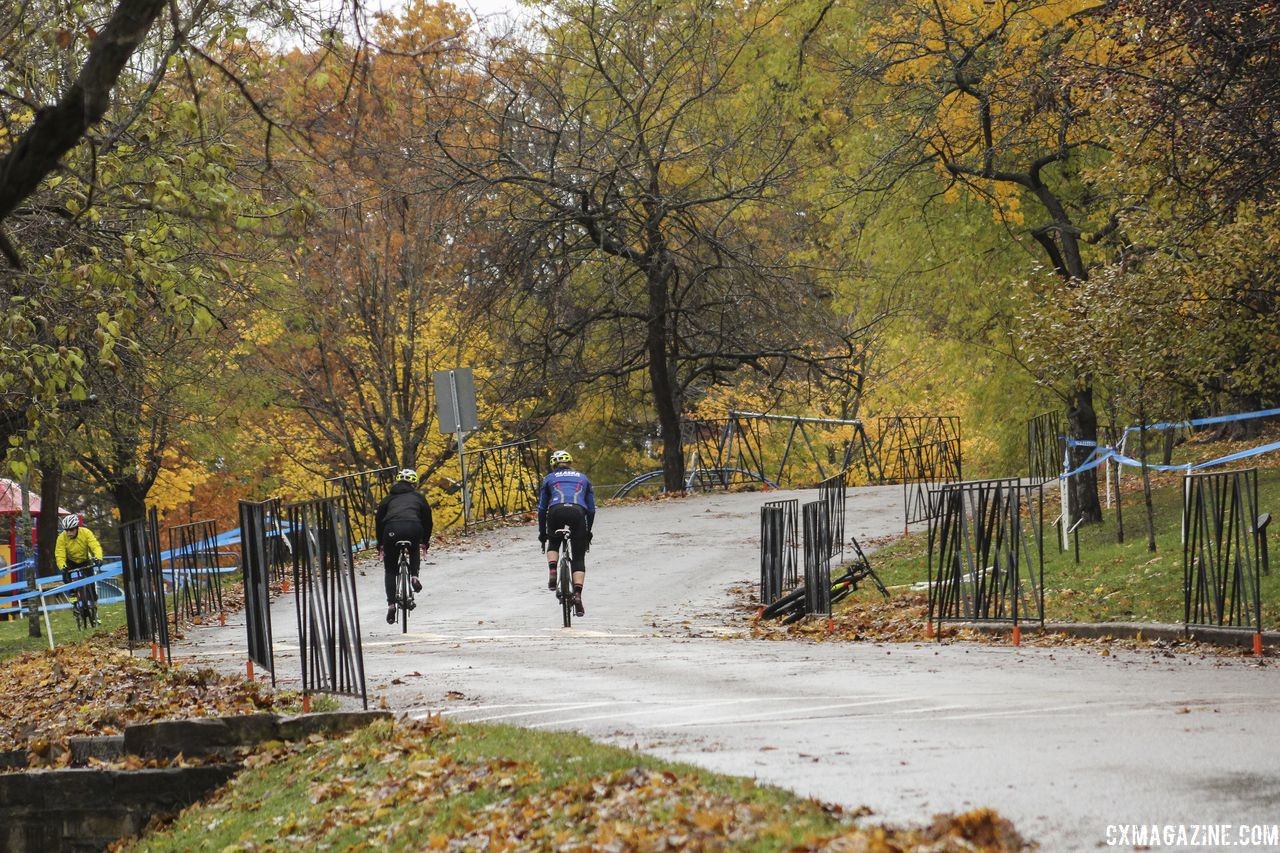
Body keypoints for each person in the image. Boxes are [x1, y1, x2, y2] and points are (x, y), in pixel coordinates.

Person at [537, 449, 595, 617]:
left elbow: (542, 509)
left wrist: (543, 533)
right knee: (578, 558)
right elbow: (591, 510)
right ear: (570, 464)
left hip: (555, 511)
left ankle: (553, 570)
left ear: (554, 465)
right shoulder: (584, 478)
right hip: (578, 512)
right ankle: (577, 594)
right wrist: (587, 531)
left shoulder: (549, 479)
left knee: (553, 542)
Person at [375, 468, 433, 625]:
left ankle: (391, 604)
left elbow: (379, 521)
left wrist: (380, 544)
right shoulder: (419, 498)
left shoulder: (387, 499)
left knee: (391, 570)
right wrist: (424, 542)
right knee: (413, 549)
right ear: (415, 484)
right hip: (414, 528)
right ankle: (414, 577)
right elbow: (428, 520)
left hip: (391, 530)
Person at [54, 513, 103, 607]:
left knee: (90, 581)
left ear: (77, 527)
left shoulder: (86, 532)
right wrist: (62, 566)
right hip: (70, 561)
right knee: (67, 579)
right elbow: (59, 554)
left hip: (85, 560)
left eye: (71, 530)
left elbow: (95, 546)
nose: (69, 533)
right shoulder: (61, 538)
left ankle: (94, 602)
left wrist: (98, 558)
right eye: (66, 530)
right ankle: (73, 600)